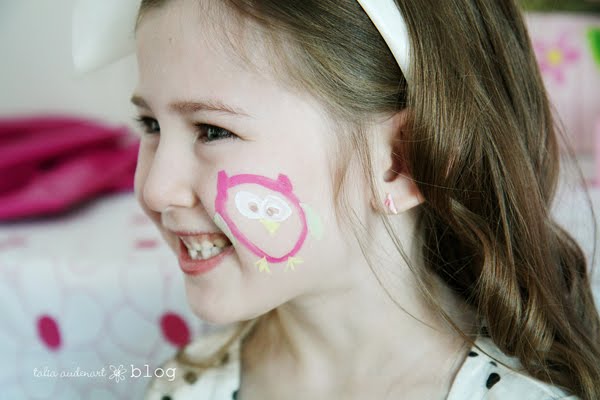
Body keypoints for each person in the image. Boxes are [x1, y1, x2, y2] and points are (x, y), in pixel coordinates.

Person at [130, 0, 600, 399]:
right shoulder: (186, 386)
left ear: (401, 161)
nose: (155, 188)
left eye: (213, 131)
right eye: (150, 125)